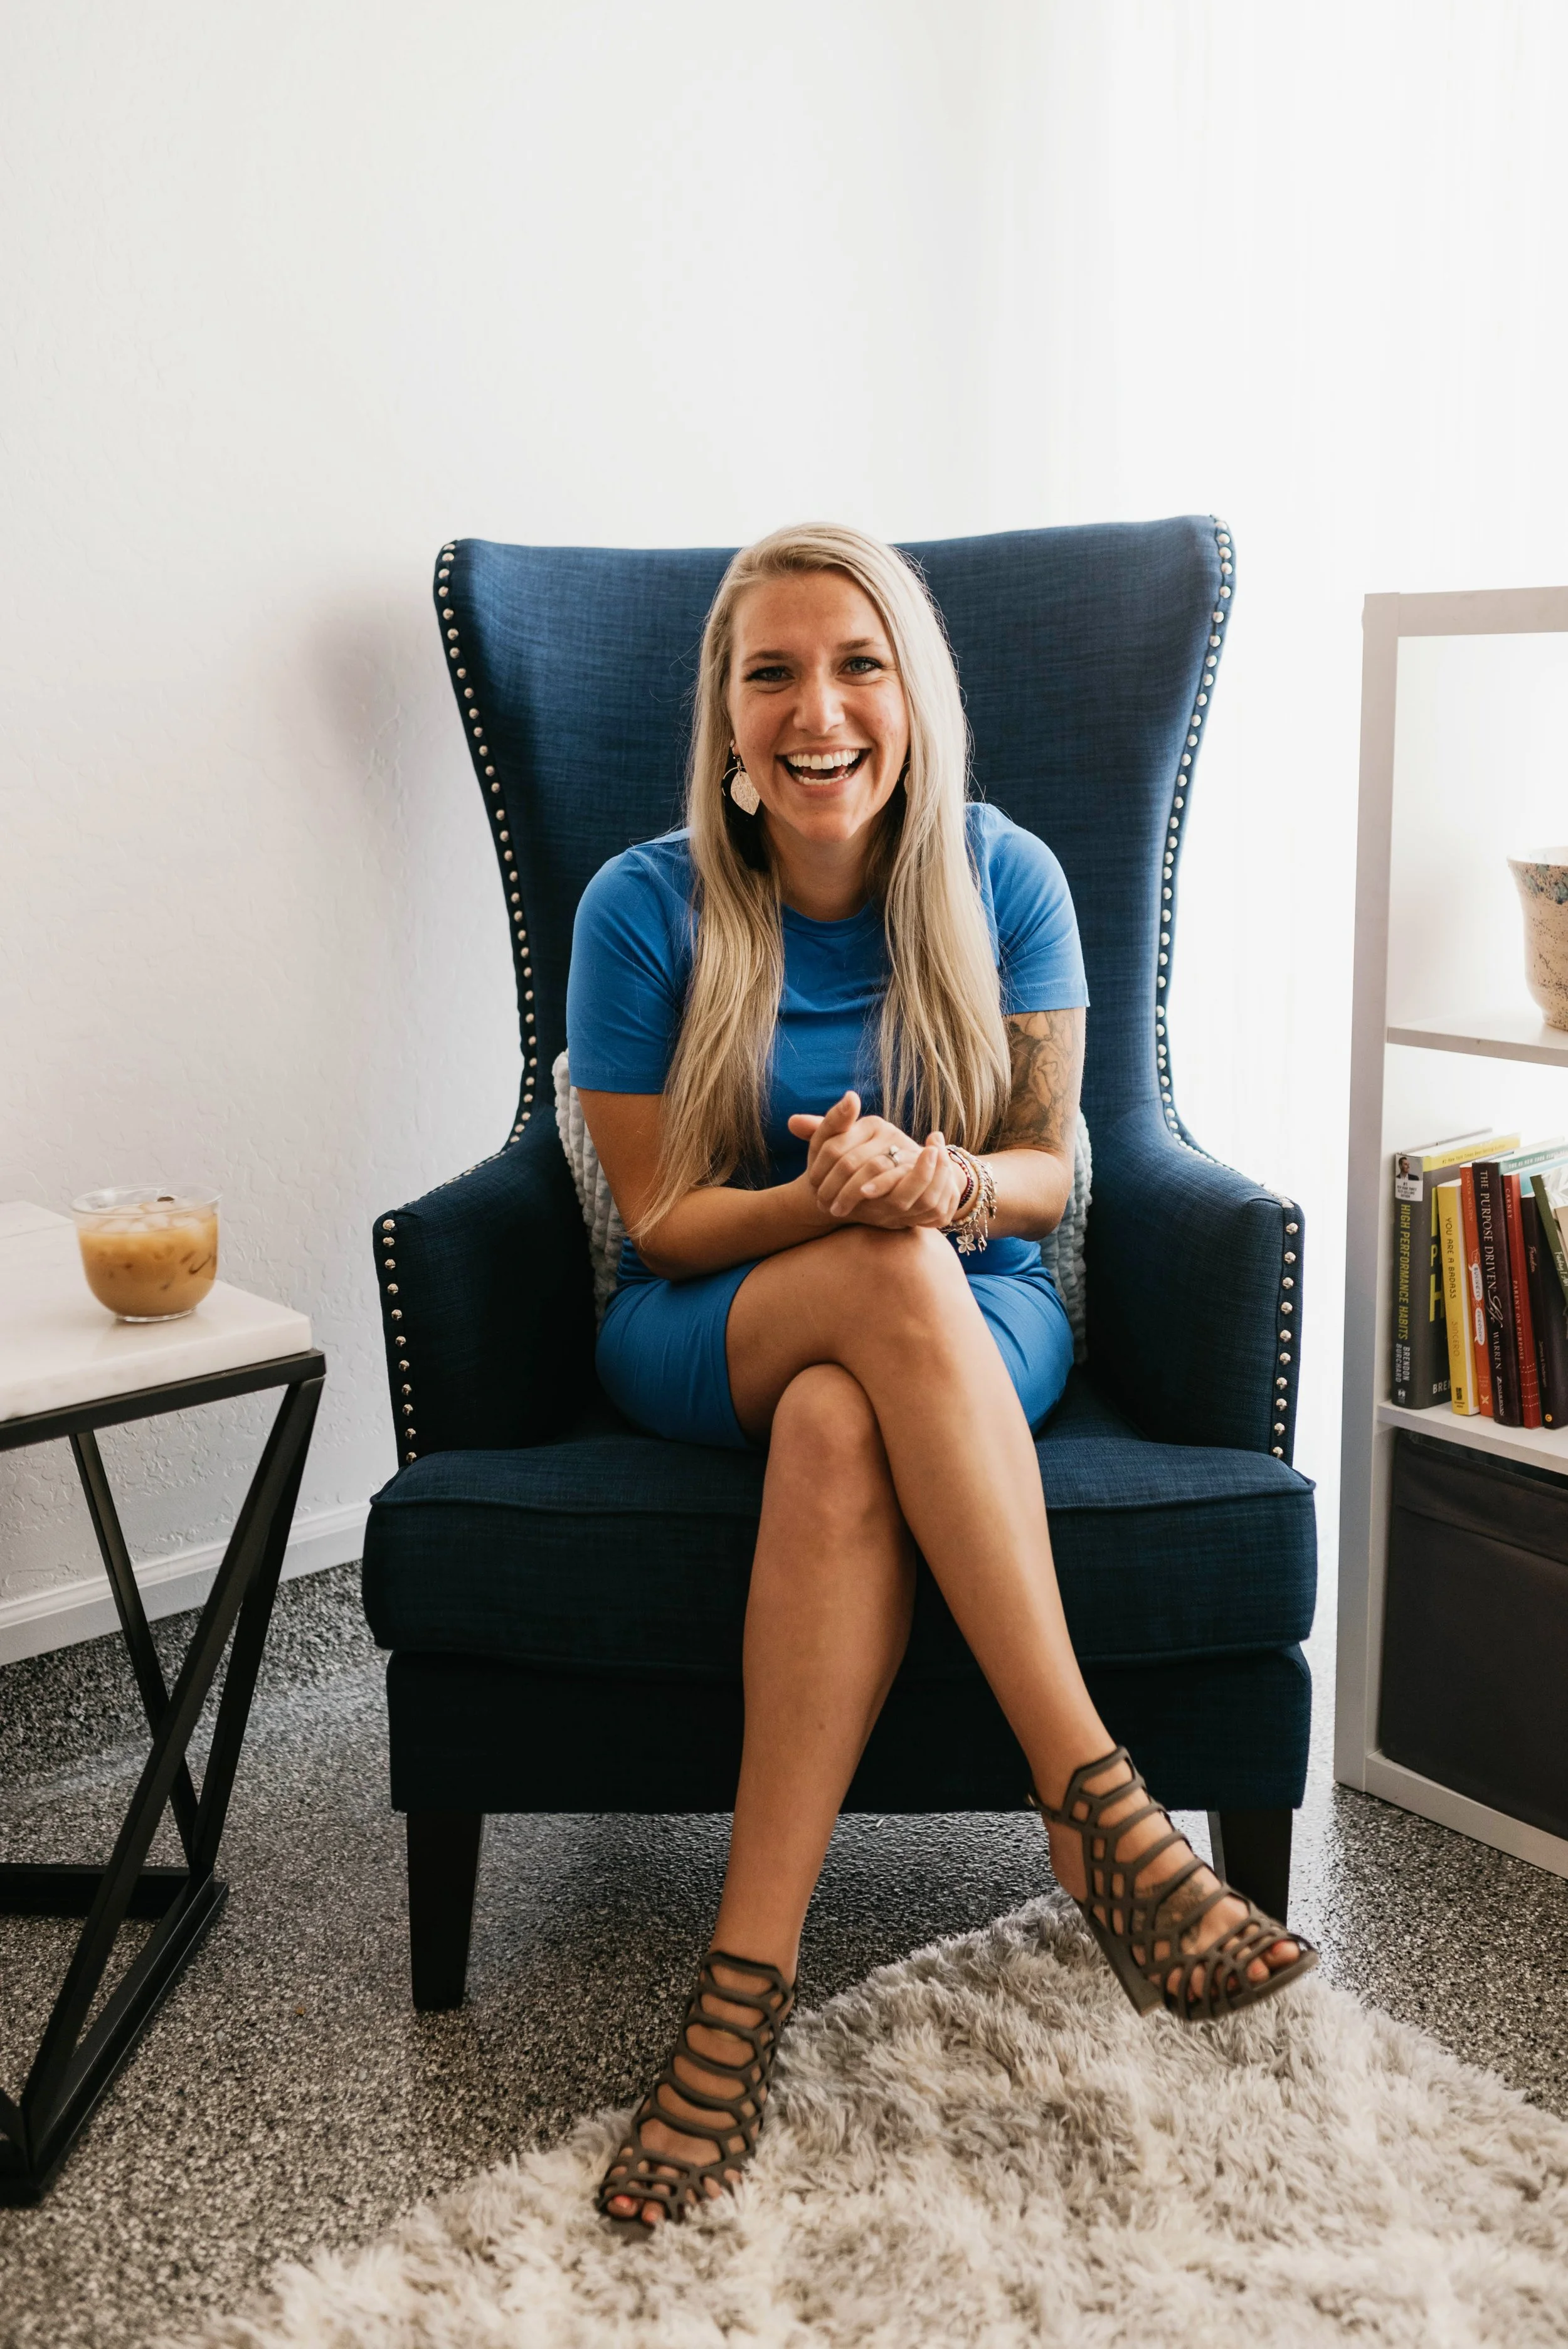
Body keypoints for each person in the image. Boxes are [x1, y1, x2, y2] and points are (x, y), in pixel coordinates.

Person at [566, 522, 1316, 2232]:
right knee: (864, 1294)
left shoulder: (1005, 878)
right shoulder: (646, 903)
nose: (815, 708)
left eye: (855, 665)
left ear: (911, 695)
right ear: (727, 721)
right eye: (772, 673)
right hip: (714, 1316)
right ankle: (1102, 1817)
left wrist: (947, 1184)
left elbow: (1049, 1172)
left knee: (854, 1401)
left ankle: (735, 2003)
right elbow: (667, 1220)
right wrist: (828, 1201)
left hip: (973, 1301)